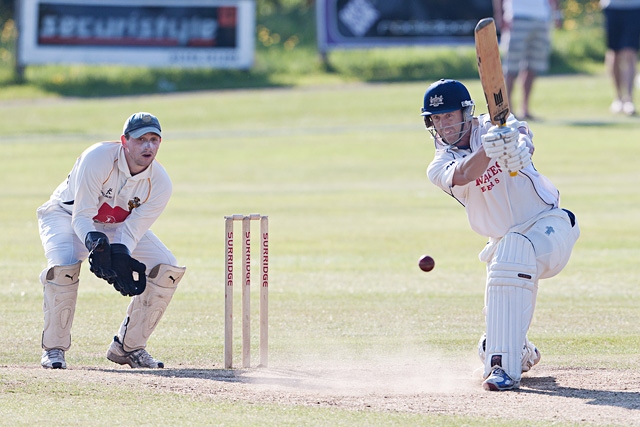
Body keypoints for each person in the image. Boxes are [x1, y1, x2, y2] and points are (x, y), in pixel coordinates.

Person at [420, 79, 580, 391]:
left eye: (448, 116)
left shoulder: (495, 125)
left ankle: (502, 369)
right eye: (436, 119)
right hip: (503, 246)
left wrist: (520, 147)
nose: (443, 126)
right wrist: (490, 151)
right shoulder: (439, 164)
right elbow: (466, 173)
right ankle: (517, 351)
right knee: (496, 327)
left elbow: (521, 133)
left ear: (466, 113)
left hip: (549, 226)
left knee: (514, 249)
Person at [36, 112, 186, 370]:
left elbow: (132, 230)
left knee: (166, 268)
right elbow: (81, 216)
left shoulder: (160, 183)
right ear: (124, 141)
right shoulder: (97, 158)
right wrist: (97, 244)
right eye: (141, 140)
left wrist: (120, 254)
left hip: (115, 227)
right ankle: (54, 349)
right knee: (63, 268)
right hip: (65, 216)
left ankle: (128, 347)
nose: (148, 146)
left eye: (154, 139)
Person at [493, 0, 563, 120]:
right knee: (511, 67)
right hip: (517, 17)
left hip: (542, 18)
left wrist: (557, 14)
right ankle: (507, 109)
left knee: (533, 66)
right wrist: (500, 15)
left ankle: (525, 109)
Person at [600, 0, 640, 115]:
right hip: (612, 7)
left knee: (629, 53)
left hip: (634, 7)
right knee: (614, 54)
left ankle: (629, 100)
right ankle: (618, 98)